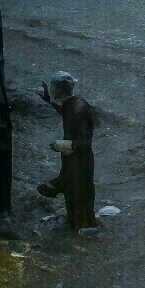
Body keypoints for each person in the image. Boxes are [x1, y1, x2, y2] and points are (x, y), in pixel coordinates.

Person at [37, 71, 99, 234]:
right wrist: (48, 100)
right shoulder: (71, 105)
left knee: (80, 195)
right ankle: (73, 226)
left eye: (52, 88)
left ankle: (84, 229)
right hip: (71, 159)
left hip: (80, 162)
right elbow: (64, 111)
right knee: (71, 194)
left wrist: (65, 144)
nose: (51, 90)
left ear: (59, 89)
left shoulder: (78, 108)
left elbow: (85, 143)